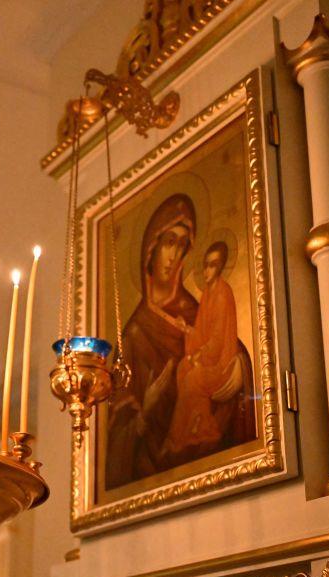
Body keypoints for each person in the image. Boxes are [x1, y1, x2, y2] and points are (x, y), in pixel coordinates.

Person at [105, 194, 254, 490]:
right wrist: (145, 410)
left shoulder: (194, 310)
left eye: (182, 245)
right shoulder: (134, 333)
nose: (173, 256)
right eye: (168, 242)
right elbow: (116, 424)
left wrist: (241, 365)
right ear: (151, 248)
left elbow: (220, 342)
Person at [166, 241, 239, 453]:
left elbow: (217, 341)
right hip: (208, 356)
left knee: (193, 378)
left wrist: (199, 356)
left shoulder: (223, 293)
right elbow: (201, 334)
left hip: (222, 362)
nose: (207, 270)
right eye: (206, 265)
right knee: (182, 368)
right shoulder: (207, 294)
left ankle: (179, 437)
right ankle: (195, 425)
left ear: (221, 266)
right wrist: (186, 329)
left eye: (213, 265)